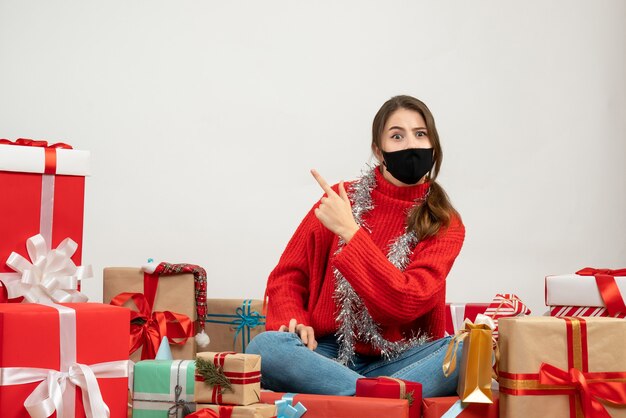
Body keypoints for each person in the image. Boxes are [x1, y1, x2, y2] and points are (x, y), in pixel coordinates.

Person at [247, 95, 465, 398]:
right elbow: (288, 276)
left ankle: (358, 399)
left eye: (420, 134)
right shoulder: (341, 200)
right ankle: (379, 401)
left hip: (401, 358)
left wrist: (351, 232)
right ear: (379, 150)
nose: (410, 145)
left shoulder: (445, 222)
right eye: (397, 136)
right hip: (327, 354)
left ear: (433, 144)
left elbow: (406, 302)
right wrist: (292, 322)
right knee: (265, 347)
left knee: (467, 350)